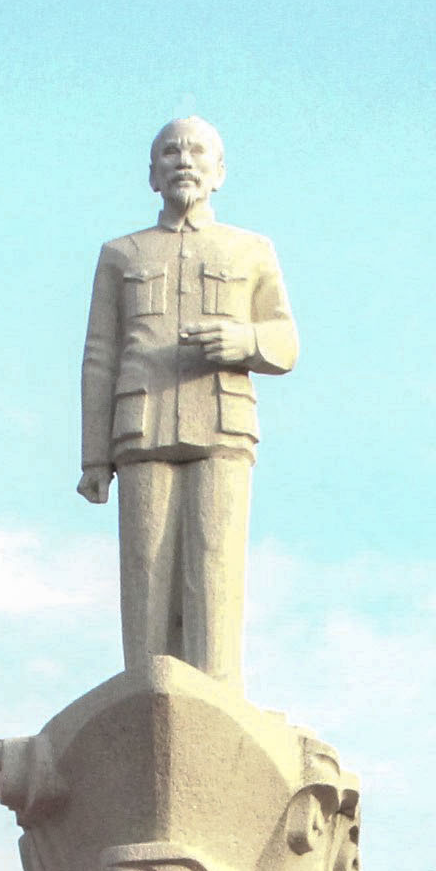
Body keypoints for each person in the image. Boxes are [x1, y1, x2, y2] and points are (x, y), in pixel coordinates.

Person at [76, 115, 299, 684]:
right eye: (170, 151)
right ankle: (146, 693)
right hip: (141, 428)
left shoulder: (251, 250)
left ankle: (217, 700)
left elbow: (285, 341)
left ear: (219, 172)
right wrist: (93, 458)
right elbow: (99, 356)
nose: (184, 160)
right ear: (152, 174)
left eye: (198, 151)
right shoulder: (121, 253)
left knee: (214, 566)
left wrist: (245, 340)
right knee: (145, 566)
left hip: (221, 425)